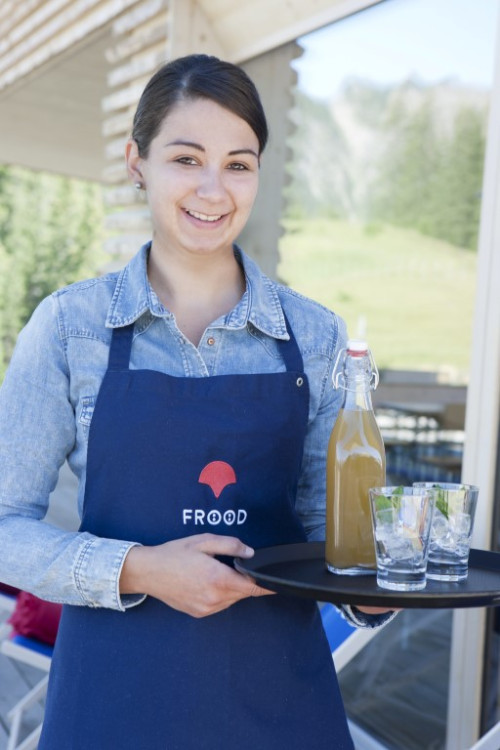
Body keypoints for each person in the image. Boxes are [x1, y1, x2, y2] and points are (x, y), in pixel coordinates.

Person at [0, 54, 396, 749]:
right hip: (111, 707)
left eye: (239, 164)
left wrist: (372, 589)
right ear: (137, 161)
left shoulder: (315, 335)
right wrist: (140, 568)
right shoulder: (70, 327)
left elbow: (332, 541)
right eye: (187, 158)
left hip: (277, 707)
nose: (214, 189)